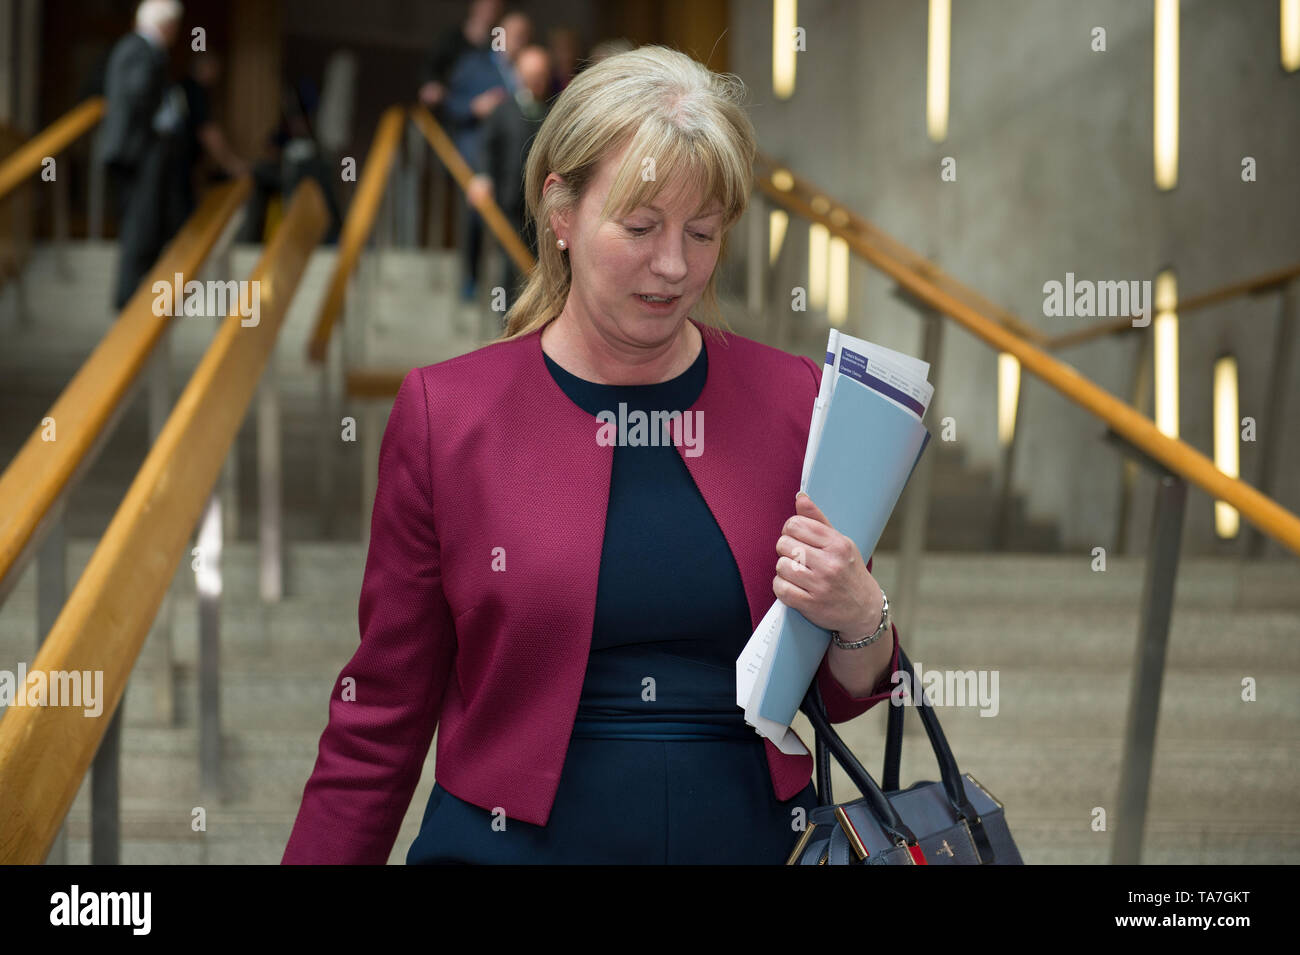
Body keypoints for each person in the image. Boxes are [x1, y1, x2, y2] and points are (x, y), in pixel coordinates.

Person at [283, 45, 902, 866]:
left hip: (756, 840)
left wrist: (865, 620)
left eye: (702, 232)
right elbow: (381, 713)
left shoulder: (793, 399)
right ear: (561, 212)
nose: (674, 265)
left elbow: (841, 693)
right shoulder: (450, 414)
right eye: (641, 228)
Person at [97, 0, 184, 312]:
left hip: (139, 151)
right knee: (140, 226)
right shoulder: (141, 50)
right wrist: (163, 121)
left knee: (149, 223)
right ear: (165, 24)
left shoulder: (136, 49)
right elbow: (137, 94)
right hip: (139, 152)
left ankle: (138, 295)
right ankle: (129, 300)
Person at [419, 0, 509, 302]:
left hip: (501, 149)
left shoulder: (504, 58)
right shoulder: (457, 48)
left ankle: (500, 282)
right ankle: (470, 278)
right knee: (474, 208)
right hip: (466, 142)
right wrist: (474, 107)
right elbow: (441, 96)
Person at [466, 44, 552, 317]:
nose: (535, 81)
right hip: (509, 200)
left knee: (541, 264)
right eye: (530, 75)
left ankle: (538, 319)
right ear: (519, 76)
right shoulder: (503, 110)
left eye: (540, 74)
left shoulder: (553, 109)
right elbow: (486, 148)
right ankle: (506, 323)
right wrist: (482, 177)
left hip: (543, 205)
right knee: (508, 266)